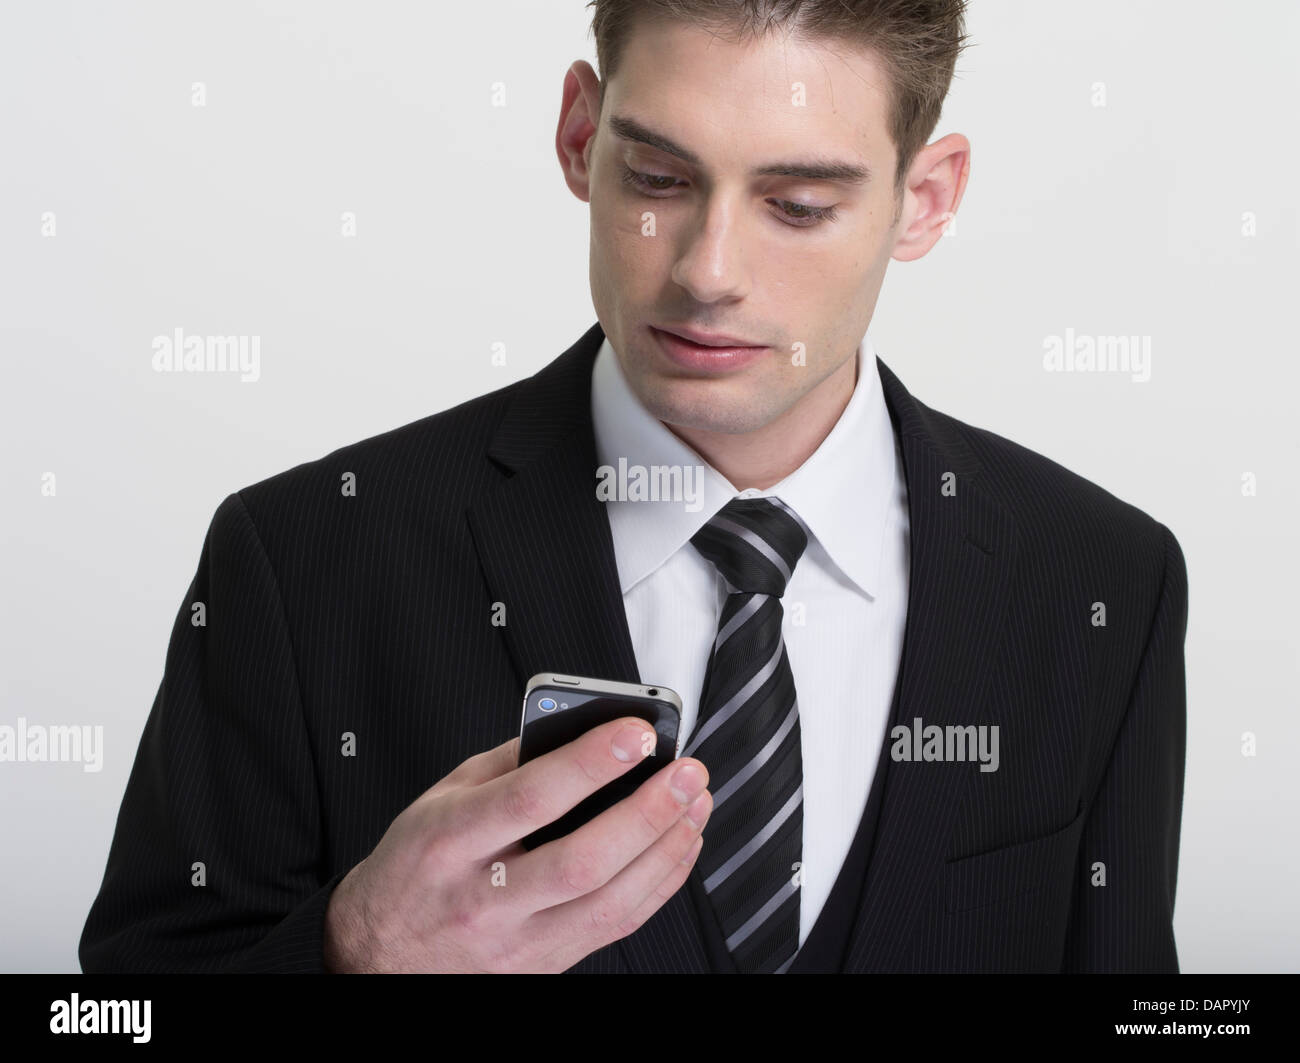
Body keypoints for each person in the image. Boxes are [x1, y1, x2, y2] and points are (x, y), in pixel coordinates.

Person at [80, 0, 1187, 974]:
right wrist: (355, 954)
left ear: (926, 199)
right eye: (658, 178)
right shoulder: (301, 557)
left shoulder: (1100, 581)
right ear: (578, 135)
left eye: (798, 204)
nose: (707, 270)